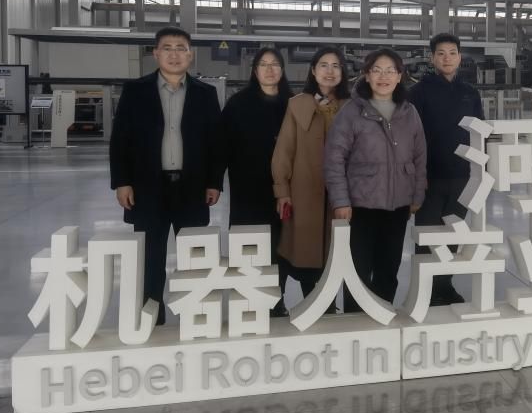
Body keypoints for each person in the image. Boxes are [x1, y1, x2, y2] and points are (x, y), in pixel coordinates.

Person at [109, 26, 223, 325]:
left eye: (181, 48)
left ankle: (196, 319)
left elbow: (216, 143)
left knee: (195, 257)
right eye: (168, 48)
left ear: (190, 54)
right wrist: (122, 182)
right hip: (148, 190)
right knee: (150, 259)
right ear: (156, 53)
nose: (175, 54)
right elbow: (120, 140)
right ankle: (151, 320)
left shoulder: (205, 94)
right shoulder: (135, 91)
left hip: (192, 189)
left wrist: (214, 182)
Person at [325, 48, 427, 312]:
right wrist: (340, 200)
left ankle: (383, 317)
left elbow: (419, 156)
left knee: (388, 269)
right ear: (367, 75)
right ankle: (355, 320)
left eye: (390, 71)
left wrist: (417, 195)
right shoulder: (351, 112)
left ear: (399, 76)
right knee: (358, 270)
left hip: (398, 205)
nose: (384, 77)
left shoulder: (409, 112)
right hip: (361, 206)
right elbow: (334, 158)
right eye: (377, 71)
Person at [271, 47, 351, 308]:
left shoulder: (352, 107)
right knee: (305, 251)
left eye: (336, 66)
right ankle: (312, 305)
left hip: (342, 195)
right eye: (324, 65)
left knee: (337, 252)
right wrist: (282, 191)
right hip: (304, 192)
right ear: (313, 71)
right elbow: (284, 151)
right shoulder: (297, 104)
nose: (330, 71)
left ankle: (330, 306)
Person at [408, 33, 484, 306]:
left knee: (453, 233)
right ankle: (425, 290)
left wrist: (480, 170)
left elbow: (479, 132)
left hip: (463, 175)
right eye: (441, 53)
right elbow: (410, 136)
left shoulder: (470, 93)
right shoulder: (418, 92)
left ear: (460, 57)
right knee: (427, 235)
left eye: (452, 53)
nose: (447, 58)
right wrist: (416, 176)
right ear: (432, 58)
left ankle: (444, 285)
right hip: (429, 177)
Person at [220, 48, 293, 317]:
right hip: (247, 189)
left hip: (285, 190)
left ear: (282, 70)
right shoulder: (238, 104)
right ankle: (248, 302)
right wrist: (214, 182)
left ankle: (276, 299)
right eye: (264, 64)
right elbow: (222, 146)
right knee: (248, 244)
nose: (270, 69)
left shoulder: (293, 104)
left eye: (275, 64)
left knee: (281, 246)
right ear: (255, 70)